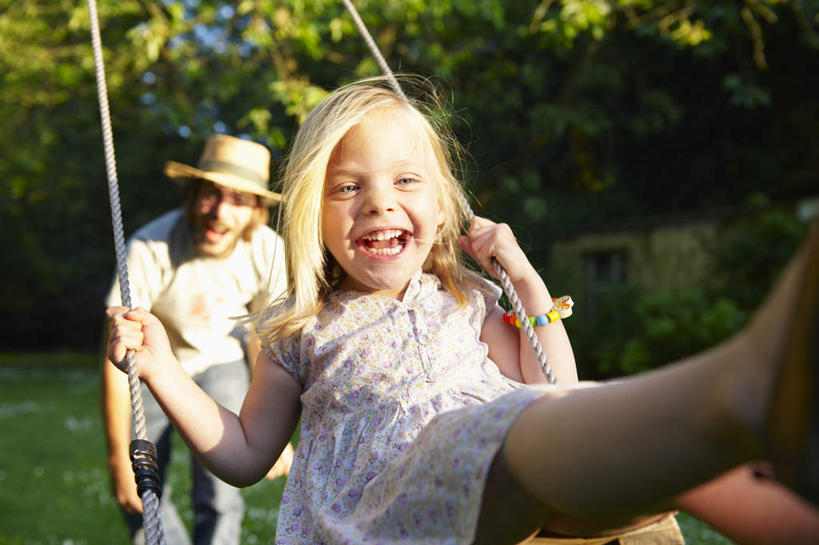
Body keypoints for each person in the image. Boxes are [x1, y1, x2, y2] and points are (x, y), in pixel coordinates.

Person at [105, 78, 818, 545]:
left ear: (442, 202)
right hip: (393, 511)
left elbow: (550, 381)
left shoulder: (468, 296)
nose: (379, 200)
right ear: (310, 216)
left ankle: (776, 465)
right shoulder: (301, 327)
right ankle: (742, 385)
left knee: (644, 456)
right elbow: (242, 454)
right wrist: (162, 366)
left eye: (405, 180)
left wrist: (521, 275)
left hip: (517, 498)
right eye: (347, 186)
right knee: (510, 432)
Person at [101, 134, 295, 545]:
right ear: (191, 194)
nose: (221, 212)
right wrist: (118, 459)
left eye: (239, 200)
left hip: (222, 363)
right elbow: (115, 360)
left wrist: (270, 429)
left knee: (222, 493)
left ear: (257, 210)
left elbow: (266, 339)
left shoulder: (268, 251)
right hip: (153, 368)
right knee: (143, 490)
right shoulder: (150, 246)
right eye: (210, 194)